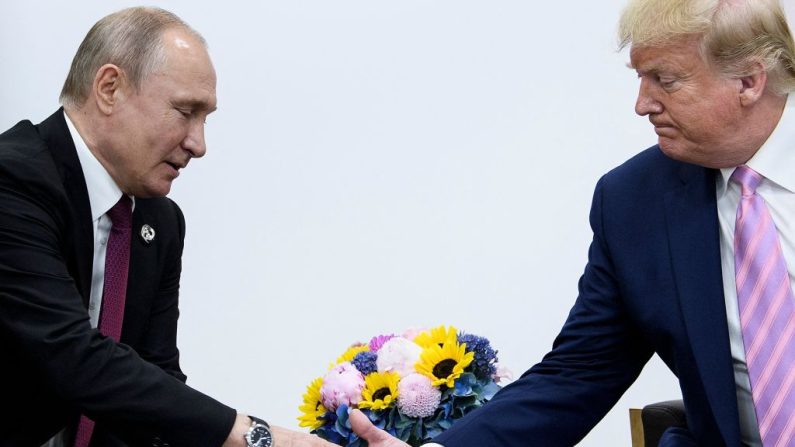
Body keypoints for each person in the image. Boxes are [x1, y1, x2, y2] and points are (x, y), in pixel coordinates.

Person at [350, 0, 795, 445]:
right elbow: (581, 371)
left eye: (665, 80)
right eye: (640, 79)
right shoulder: (634, 202)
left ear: (749, 81)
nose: (642, 105)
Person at [0, 7, 333, 447]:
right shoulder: (13, 181)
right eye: (185, 111)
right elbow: (71, 355)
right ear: (109, 88)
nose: (199, 144)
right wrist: (260, 437)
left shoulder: (160, 220)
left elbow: (155, 380)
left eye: (205, 118)